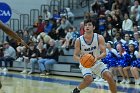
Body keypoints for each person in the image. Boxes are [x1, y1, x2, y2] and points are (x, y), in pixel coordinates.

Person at [72, 19, 117, 93]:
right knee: (89, 79)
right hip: (85, 64)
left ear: (93, 27)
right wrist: (81, 59)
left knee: (110, 77)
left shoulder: (99, 37)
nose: (87, 26)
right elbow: (75, 56)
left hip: (96, 62)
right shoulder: (79, 40)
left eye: (89, 25)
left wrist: (97, 58)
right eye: (85, 25)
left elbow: (104, 53)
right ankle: (77, 90)